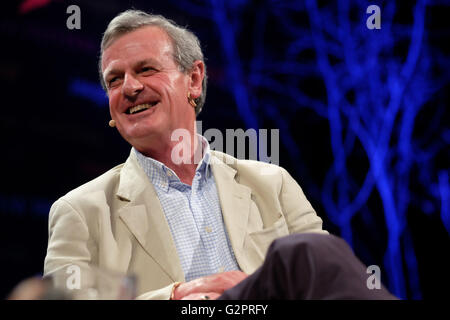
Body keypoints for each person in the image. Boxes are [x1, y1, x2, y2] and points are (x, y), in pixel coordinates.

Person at [43, 9, 391, 300]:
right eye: (115, 80)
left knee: (312, 253)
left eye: (146, 69)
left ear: (193, 79)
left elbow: (323, 282)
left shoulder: (272, 183)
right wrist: (182, 295)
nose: (130, 88)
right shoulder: (81, 211)